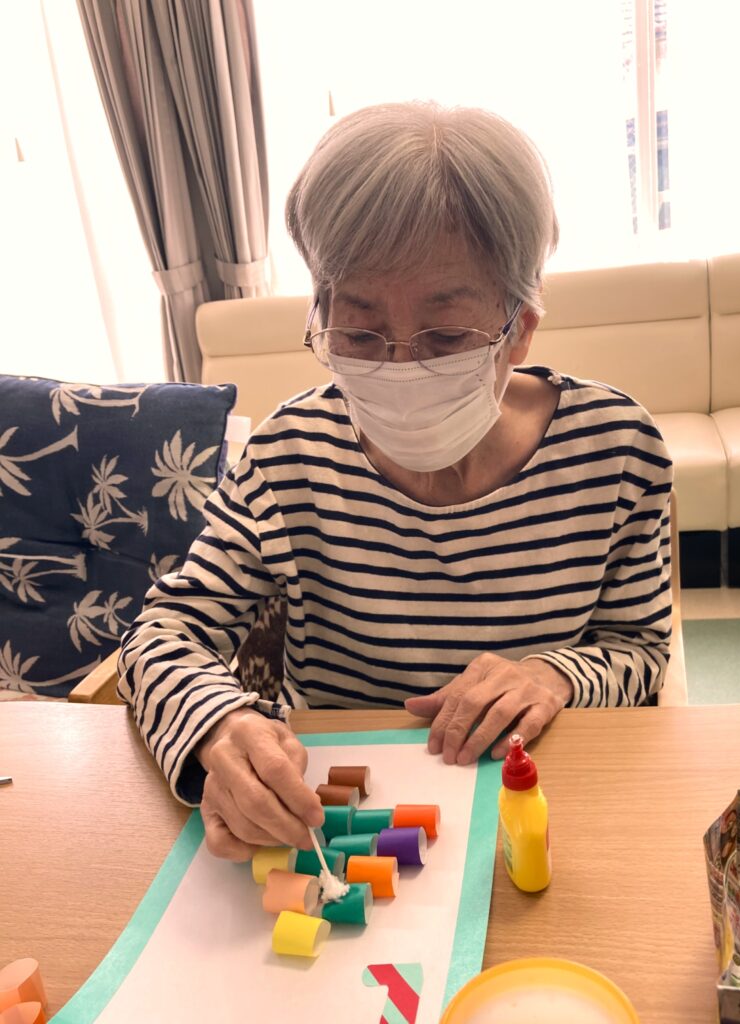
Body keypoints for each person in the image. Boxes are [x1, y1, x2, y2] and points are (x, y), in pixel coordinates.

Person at [119, 101, 673, 861]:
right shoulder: (289, 456)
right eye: (358, 332)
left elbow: (640, 650)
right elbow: (162, 633)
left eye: (445, 336)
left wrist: (556, 674)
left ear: (520, 328)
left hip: (540, 812)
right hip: (335, 828)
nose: (399, 368)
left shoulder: (613, 450)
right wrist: (220, 728)